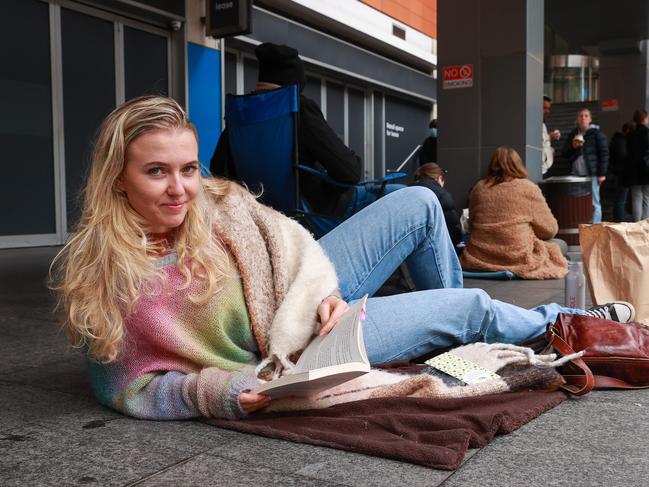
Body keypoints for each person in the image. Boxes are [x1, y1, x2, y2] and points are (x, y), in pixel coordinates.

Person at [51, 96, 635, 421]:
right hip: (296, 352)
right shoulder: (111, 278)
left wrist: (322, 290)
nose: (181, 188)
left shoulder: (215, 203)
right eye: (156, 171)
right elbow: (129, 388)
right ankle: (544, 327)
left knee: (417, 201)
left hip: (305, 303)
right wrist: (219, 393)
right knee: (471, 305)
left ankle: (457, 342)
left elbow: (285, 239)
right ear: (117, 178)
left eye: (188, 168)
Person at [210, 43, 403, 231]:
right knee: (407, 195)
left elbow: (217, 172)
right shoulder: (298, 110)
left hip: (266, 221)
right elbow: (350, 172)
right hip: (320, 216)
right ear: (296, 84)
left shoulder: (240, 118)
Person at [460, 146, 569, 279]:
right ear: (518, 165)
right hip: (517, 256)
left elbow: (472, 225)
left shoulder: (478, 188)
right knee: (560, 245)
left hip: (480, 256)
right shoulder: (528, 188)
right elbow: (550, 229)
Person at [561, 108, 609, 223]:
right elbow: (564, 153)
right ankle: (582, 229)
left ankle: (595, 230)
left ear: (590, 119)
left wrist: (602, 174)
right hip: (576, 175)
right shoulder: (573, 134)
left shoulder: (596, 133)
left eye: (586, 116)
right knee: (578, 202)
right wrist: (573, 147)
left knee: (594, 203)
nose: (583, 118)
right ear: (577, 119)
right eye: (581, 116)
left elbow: (604, 153)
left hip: (592, 174)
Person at [410, 163, 462, 246]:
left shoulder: (407, 189)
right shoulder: (442, 194)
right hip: (433, 245)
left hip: (409, 245)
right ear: (439, 178)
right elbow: (453, 229)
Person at [625, 109, 649, 221]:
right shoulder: (647, 132)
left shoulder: (630, 133)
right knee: (647, 198)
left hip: (633, 171)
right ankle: (646, 225)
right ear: (644, 118)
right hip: (646, 170)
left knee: (636, 198)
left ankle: (637, 224)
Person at [609, 121, 633, 222]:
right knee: (621, 198)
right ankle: (619, 219)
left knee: (621, 197)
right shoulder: (621, 141)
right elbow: (623, 157)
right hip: (622, 173)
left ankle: (619, 218)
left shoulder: (619, 140)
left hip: (620, 172)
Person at [542, 96, 561, 176]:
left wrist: (551, 151)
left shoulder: (542, 124)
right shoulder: (532, 123)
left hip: (544, 168)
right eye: (544, 108)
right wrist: (549, 137)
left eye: (548, 108)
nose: (547, 111)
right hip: (539, 169)